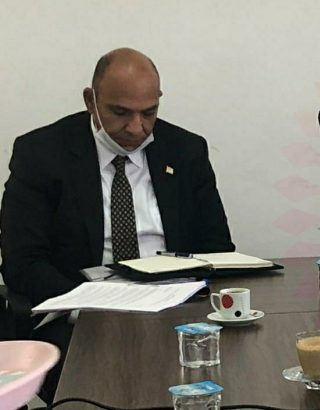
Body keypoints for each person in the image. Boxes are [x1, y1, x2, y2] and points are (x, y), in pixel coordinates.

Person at [0, 48, 235, 401]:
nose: (136, 128)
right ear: (90, 101)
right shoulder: (41, 153)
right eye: (120, 113)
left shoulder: (185, 150)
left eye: (149, 113)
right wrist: (90, 303)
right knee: (104, 389)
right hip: (82, 317)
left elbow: (217, 249)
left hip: (173, 310)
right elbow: (23, 262)